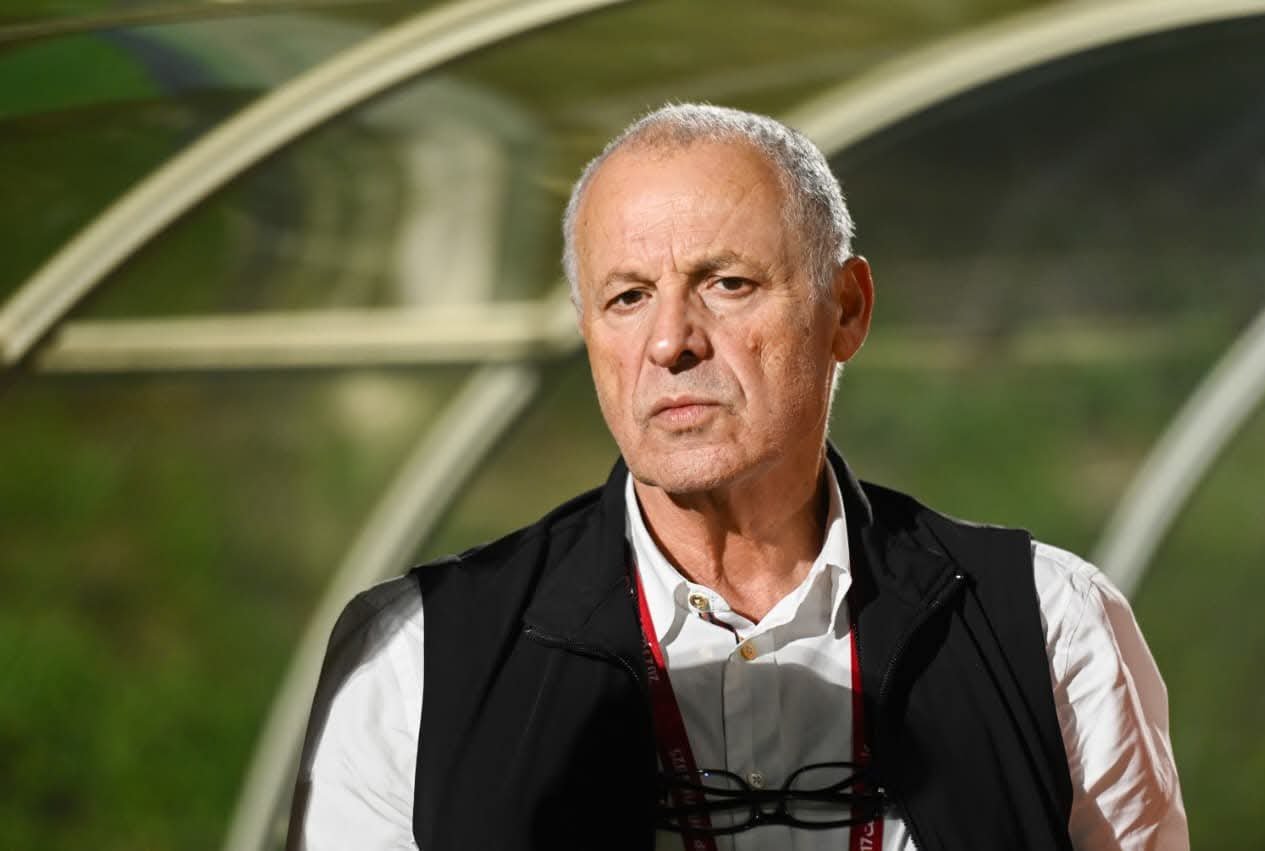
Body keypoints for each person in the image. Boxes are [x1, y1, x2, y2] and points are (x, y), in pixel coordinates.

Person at [287, 104, 1187, 850]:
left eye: (725, 283)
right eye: (627, 296)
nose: (670, 342)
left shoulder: (1053, 627)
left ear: (847, 309)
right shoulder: (414, 660)